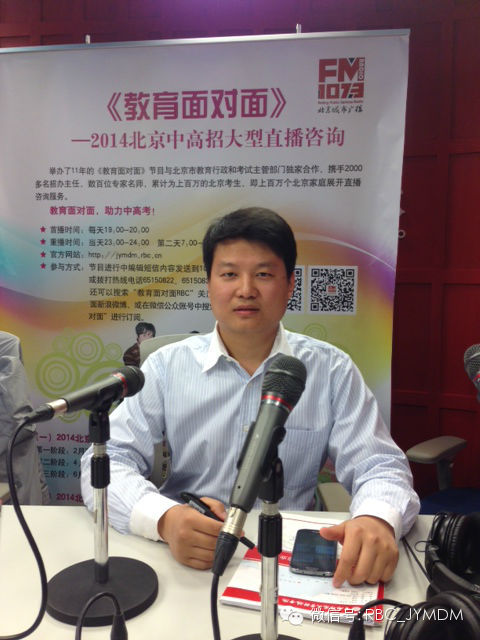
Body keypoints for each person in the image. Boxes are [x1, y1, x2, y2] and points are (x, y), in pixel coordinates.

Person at [81, 207, 419, 588]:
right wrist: (164, 519)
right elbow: (107, 460)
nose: (245, 290)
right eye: (229, 274)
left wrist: (376, 518)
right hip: (185, 558)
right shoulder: (166, 367)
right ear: (208, 285)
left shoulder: (331, 370)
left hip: (286, 562)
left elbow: (380, 465)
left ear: (290, 285)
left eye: (263, 274)